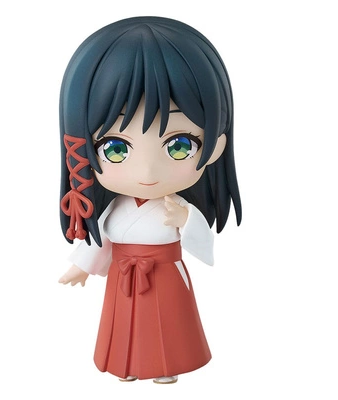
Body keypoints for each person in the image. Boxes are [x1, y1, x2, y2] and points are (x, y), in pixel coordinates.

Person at [58, 16, 242, 384]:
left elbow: (199, 238)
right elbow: (102, 240)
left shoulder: (177, 208)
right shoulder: (116, 210)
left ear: (215, 146)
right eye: (115, 148)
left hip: (166, 275)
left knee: (169, 323)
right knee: (122, 322)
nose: (146, 170)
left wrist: (186, 220)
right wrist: (82, 266)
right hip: (122, 277)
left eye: (179, 145)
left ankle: (165, 368)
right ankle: (125, 365)